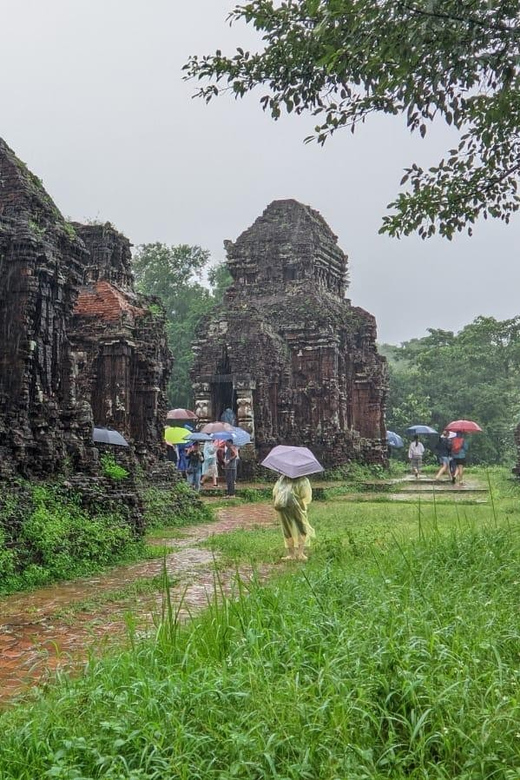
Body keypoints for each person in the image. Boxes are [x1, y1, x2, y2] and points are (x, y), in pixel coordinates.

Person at [273, 474, 315, 561]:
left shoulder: (283, 479)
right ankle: (300, 553)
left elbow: (275, 492)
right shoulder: (303, 480)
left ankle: (291, 554)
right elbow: (305, 496)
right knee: (302, 529)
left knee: (287, 530)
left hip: (283, 507)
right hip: (298, 507)